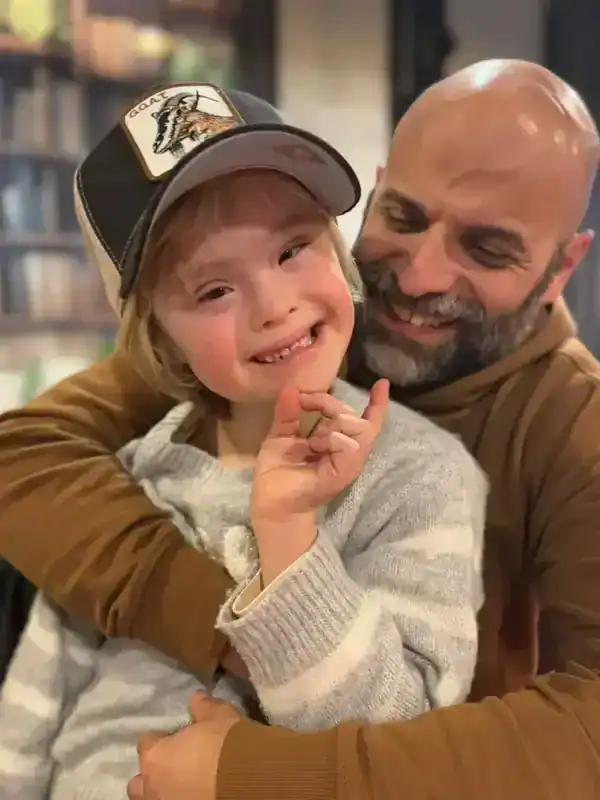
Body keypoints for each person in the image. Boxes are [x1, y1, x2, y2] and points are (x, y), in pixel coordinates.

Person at [0, 57, 600, 799]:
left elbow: (587, 727)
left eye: (488, 248)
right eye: (403, 217)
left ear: (563, 266)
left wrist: (252, 775)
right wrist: (226, 624)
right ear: (373, 194)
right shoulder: (275, 347)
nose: (419, 278)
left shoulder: (573, 429)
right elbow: (27, 454)